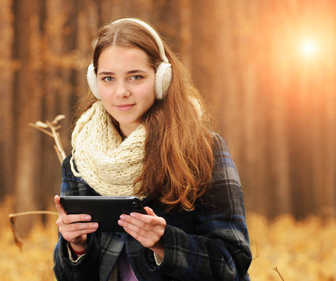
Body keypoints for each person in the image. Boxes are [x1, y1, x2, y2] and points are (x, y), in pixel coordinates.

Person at [53, 18, 252, 281]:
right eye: (108, 78)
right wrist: (76, 247)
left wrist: (165, 243)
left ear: (162, 79)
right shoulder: (80, 162)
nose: (121, 91)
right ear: (94, 83)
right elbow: (69, 277)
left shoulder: (204, 150)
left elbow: (232, 265)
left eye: (136, 77)